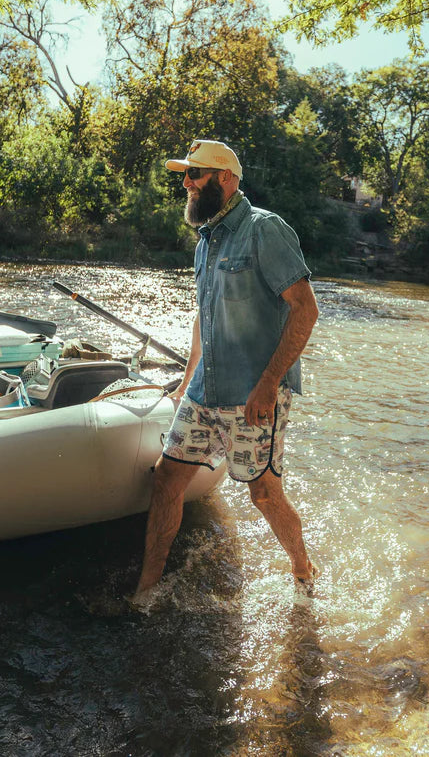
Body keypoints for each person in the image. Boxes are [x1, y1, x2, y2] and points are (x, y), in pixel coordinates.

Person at [133, 139, 319, 601]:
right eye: (186, 175)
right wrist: (186, 380)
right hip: (205, 389)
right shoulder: (206, 242)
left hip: (255, 393)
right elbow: (205, 315)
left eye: (195, 175)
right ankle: (145, 593)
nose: (186, 183)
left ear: (226, 179)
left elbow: (305, 310)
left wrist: (268, 386)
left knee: (264, 496)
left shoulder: (264, 230)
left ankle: (303, 572)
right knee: (167, 478)